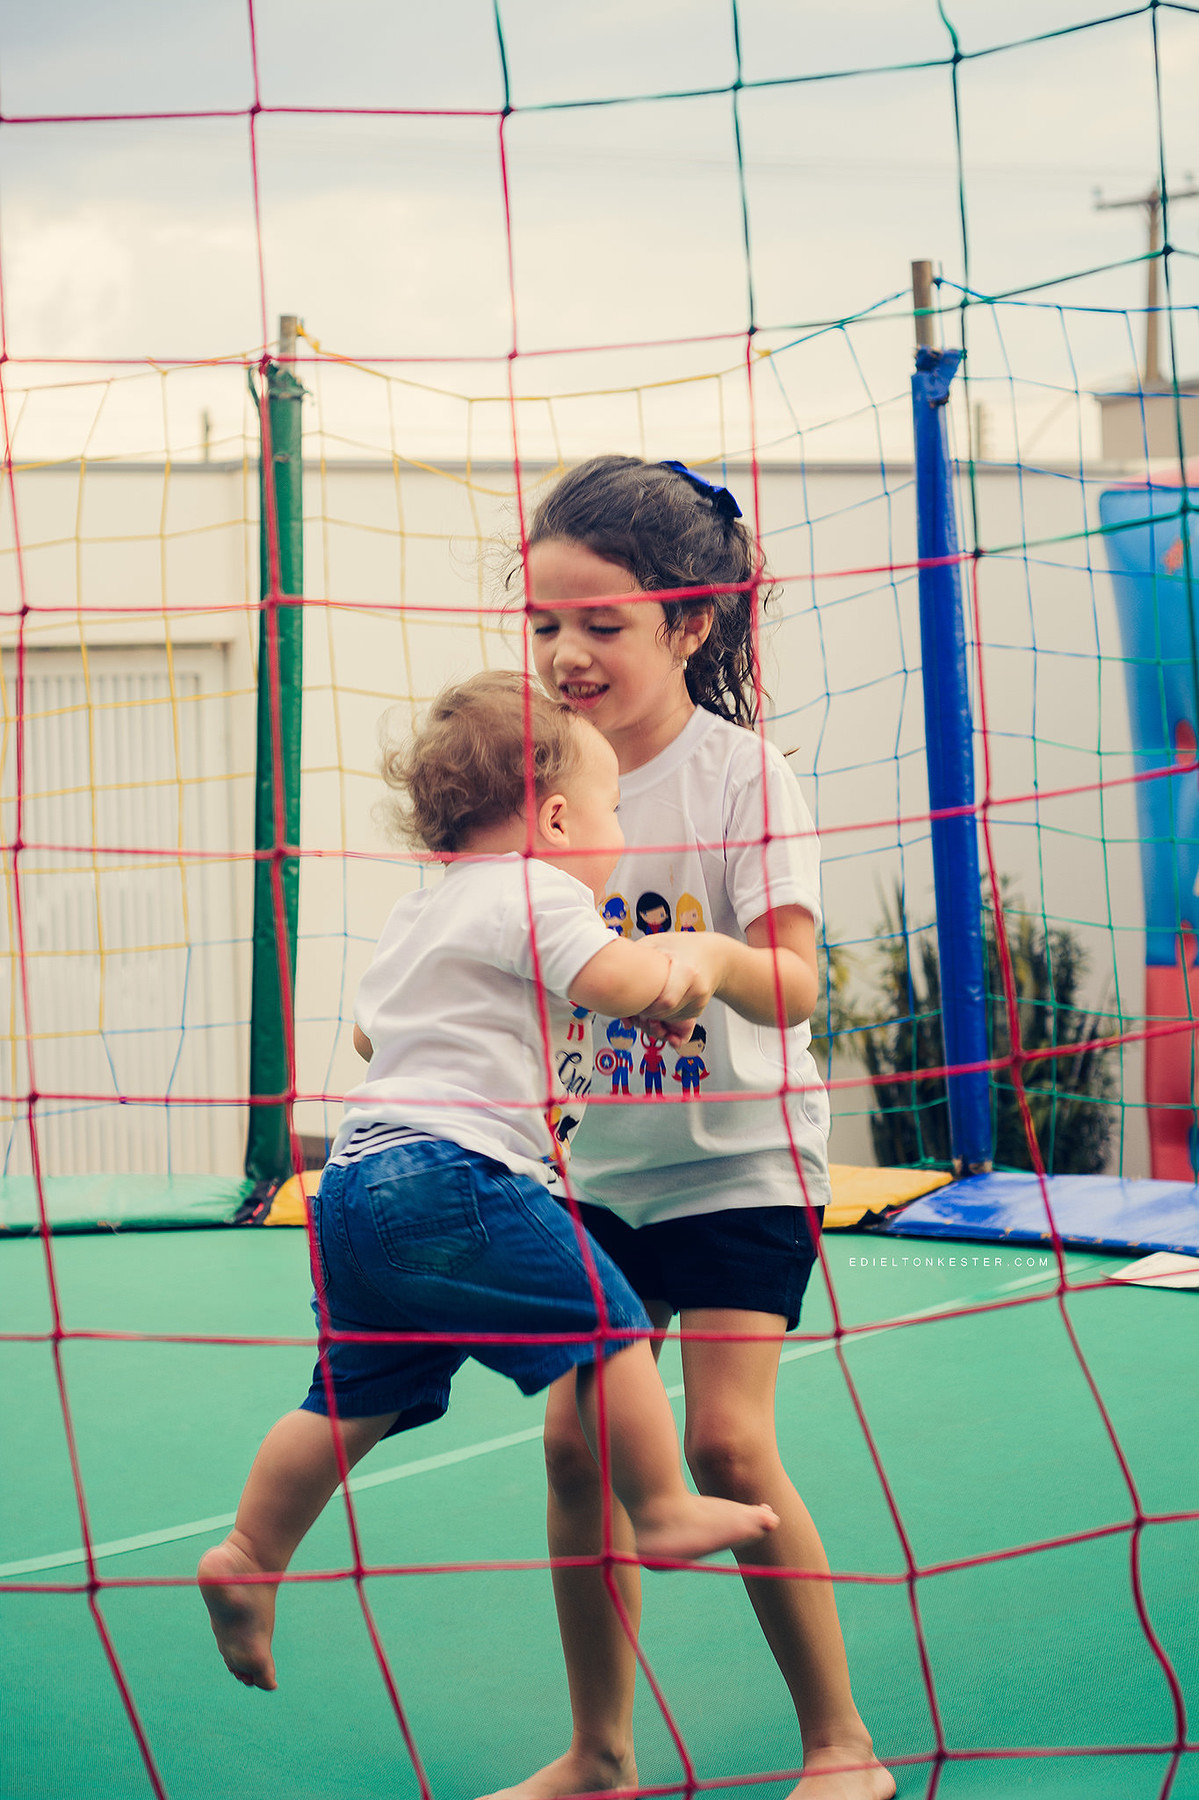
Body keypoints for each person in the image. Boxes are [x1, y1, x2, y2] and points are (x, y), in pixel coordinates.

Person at [197, 672, 779, 1694]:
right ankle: (660, 1508)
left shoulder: (422, 908)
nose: (614, 833)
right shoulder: (537, 890)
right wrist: (679, 969)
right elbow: (616, 978)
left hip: (349, 1184)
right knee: (610, 1321)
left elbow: (374, 1033)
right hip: (453, 1174)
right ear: (553, 819)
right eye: (607, 810)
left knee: (351, 1393)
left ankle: (250, 1552)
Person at [488, 457, 894, 1800]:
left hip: (737, 1165)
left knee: (723, 1444)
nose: (565, 653)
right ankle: (598, 1754)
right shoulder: (533, 778)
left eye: (600, 624)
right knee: (576, 1447)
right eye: (544, 623)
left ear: (689, 623)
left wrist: (705, 961)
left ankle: (839, 1743)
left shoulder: (741, 778)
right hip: (593, 1166)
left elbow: (795, 984)